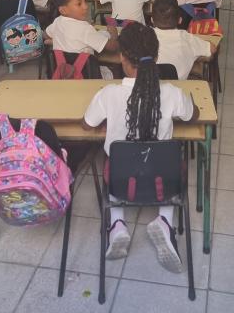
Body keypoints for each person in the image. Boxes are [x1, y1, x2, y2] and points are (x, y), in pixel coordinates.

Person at [83, 23, 198, 272]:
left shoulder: (108, 94)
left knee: (113, 158)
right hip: (163, 180)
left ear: (121, 58)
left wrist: (108, 123)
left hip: (121, 181)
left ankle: (117, 225)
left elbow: (87, 123)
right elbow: (193, 116)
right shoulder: (172, 93)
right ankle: (165, 221)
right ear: (156, 58)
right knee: (171, 162)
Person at [152, 0, 216, 79]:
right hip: (179, 85)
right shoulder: (187, 38)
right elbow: (212, 49)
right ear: (180, 20)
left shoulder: (142, 36)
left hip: (147, 85)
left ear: (152, 20)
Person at [45, 0, 119, 55]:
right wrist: (114, 35)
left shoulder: (57, 21)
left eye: (85, 1)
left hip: (61, 62)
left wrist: (58, 41)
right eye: (79, 4)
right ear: (63, 10)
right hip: (85, 63)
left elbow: (46, 35)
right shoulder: (85, 29)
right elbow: (113, 47)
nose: (86, 6)